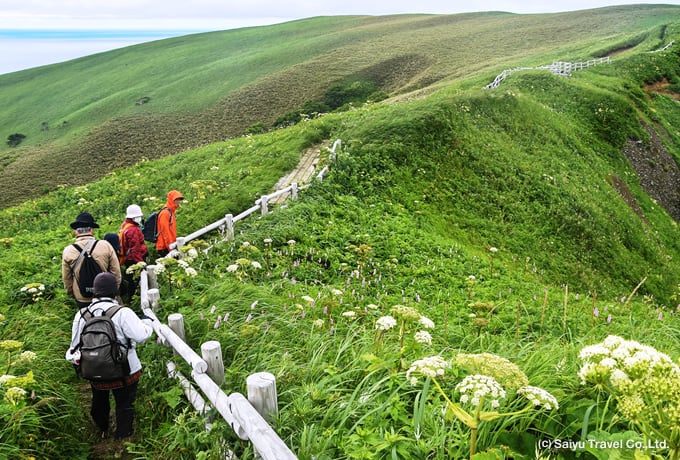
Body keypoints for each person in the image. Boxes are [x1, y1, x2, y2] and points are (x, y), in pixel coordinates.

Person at [66, 272, 154, 440]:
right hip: (124, 370)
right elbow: (142, 336)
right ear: (116, 292)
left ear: (94, 292)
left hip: (94, 368)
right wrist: (147, 322)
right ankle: (123, 436)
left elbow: (74, 347)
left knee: (99, 400)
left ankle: (102, 428)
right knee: (124, 403)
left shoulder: (82, 315)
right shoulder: (123, 312)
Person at [62, 212, 121, 309]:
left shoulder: (68, 250)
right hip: (105, 296)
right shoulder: (105, 245)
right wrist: (114, 291)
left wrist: (73, 294)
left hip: (82, 297)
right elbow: (116, 272)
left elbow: (67, 278)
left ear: (76, 232)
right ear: (92, 230)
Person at [119, 204, 148, 304]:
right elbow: (135, 249)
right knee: (135, 281)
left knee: (132, 280)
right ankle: (134, 299)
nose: (140, 218)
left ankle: (131, 298)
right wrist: (141, 263)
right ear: (133, 217)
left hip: (128, 259)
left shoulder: (125, 225)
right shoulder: (133, 230)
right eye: (138, 216)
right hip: (134, 260)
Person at [156, 190, 184, 257]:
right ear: (171, 200)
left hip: (170, 245)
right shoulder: (165, 213)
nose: (179, 201)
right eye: (176, 199)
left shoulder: (171, 212)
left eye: (180, 199)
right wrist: (171, 248)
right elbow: (165, 232)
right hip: (164, 247)